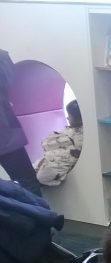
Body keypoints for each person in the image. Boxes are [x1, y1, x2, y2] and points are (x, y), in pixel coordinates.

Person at [0, 48, 40, 196]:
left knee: (26, 180)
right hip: (5, 135)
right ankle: (41, 217)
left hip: (5, 134)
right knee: (27, 180)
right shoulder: (1, 57)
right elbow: (8, 80)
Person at [34, 99, 83, 186]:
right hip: (55, 157)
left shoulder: (78, 136)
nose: (67, 118)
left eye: (69, 116)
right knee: (37, 166)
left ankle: (56, 177)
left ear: (77, 119)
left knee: (41, 176)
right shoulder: (73, 131)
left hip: (62, 160)